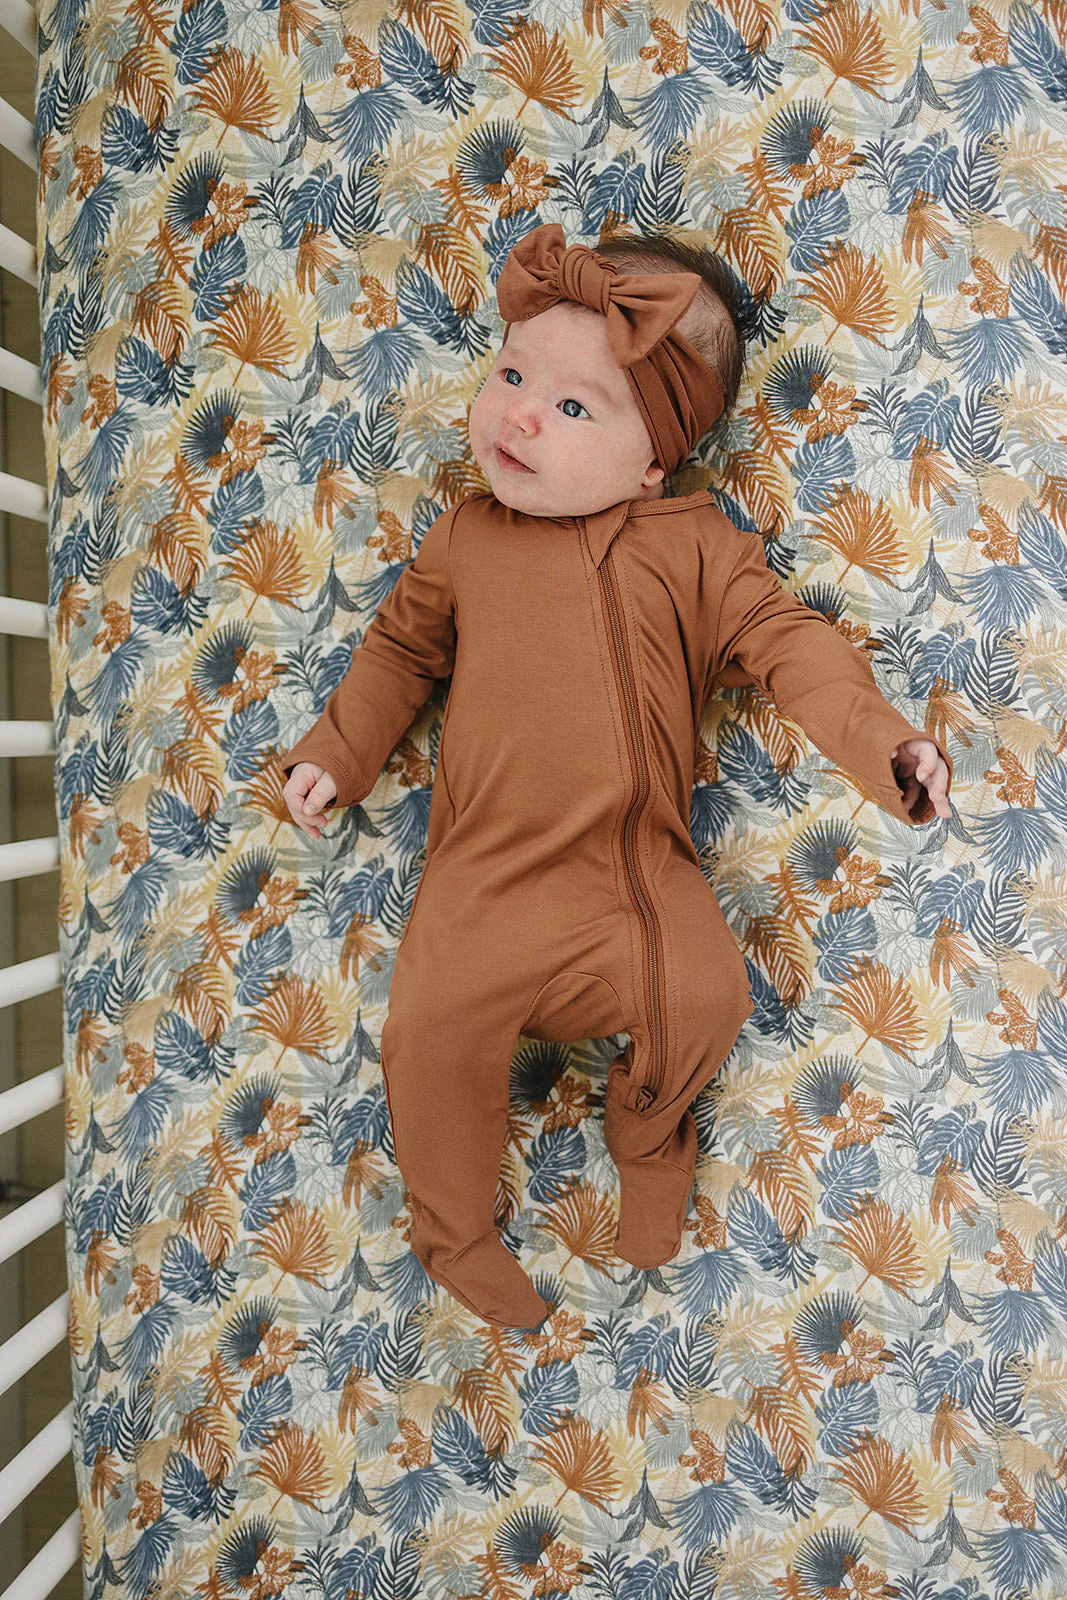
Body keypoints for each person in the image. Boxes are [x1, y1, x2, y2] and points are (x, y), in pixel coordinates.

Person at [279, 223, 952, 1331]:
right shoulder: (465, 539)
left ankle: (646, 1130)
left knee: (708, 994)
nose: (518, 415)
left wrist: (881, 742)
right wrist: (337, 752)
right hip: (481, 883)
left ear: (652, 461)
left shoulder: (694, 547)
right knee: (425, 1039)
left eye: (572, 406)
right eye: (509, 376)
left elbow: (792, 645)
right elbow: (399, 650)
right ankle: (454, 1231)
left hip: (633, 879)